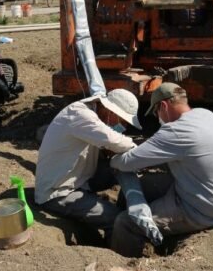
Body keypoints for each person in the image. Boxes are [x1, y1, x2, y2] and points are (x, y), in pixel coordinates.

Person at [109, 83, 213, 257]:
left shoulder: (175, 131)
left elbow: (125, 163)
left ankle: (125, 259)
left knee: (124, 222)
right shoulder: (206, 115)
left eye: (156, 113)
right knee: (136, 189)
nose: (157, 117)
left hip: (199, 209)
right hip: (208, 193)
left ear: (163, 106)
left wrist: (111, 156)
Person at [34, 89, 140, 236]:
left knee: (117, 169)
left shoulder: (93, 115)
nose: (123, 127)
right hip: (58, 191)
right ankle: (118, 249)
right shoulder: (80, 115)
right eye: (122, 121)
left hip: (80, 179)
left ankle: (121, 205)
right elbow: (113, 140)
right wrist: (143, 153)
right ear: (110, 111)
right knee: (116, 218)